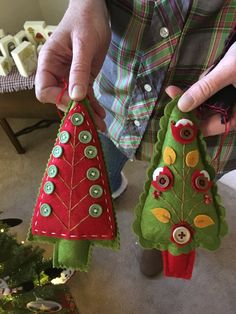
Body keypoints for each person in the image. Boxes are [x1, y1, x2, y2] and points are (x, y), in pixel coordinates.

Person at [35, 0, 236, 276]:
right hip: (116, 91)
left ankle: (158, 236)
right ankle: (111, 189)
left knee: (183, 187)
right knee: (99, 167)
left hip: (212, 110)